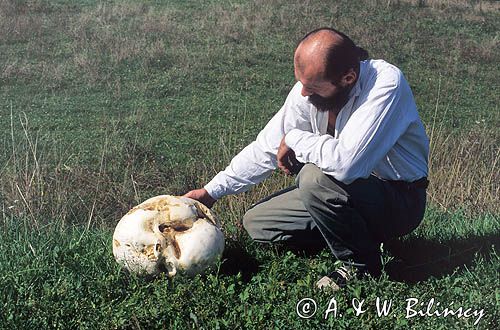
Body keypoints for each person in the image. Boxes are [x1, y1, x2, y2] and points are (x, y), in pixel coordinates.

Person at [184, 27, 429, 290]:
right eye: (300, 82)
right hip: (348, 196)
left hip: (400, 201)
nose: (303, 93)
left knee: (313, 177)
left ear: (348, 77)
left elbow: (348, 165)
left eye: (311, 87)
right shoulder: (310, 87)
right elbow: (266, 147)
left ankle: (361, 266)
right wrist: (211, 193)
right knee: (258, 225)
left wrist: (294, 139)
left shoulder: (386, 83)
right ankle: (350, 234)